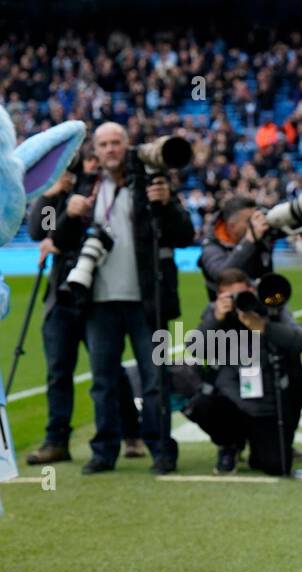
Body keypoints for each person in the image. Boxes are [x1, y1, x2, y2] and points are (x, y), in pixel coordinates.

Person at [73, 123, 194, 475]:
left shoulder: (152, 185)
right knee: (103, 381)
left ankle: (161, 451)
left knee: (156, 379)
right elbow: (58, 236)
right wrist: (67, 214)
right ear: (94, 151)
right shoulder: (87, 188)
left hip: (147, 301)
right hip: (99, 301)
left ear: (128, 146)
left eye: (116, 143)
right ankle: (104, 450)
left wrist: (167, 204)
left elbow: (185, 233)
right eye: (103, 144)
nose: (110, 149)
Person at [25, 160, 146, 465]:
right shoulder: (61, 189)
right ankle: (56, 440)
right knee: (58, 372)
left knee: (109, 370)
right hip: (61, 293)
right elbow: (40, 230)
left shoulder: (104, 187)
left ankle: (131, 433)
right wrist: (52, 195)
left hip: (97, 294)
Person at [184, 268, 302, 476]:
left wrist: (264, 327)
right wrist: (216, 319)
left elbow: (301, 340)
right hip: (230, 399)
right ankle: (229, 445)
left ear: (252, 289)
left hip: (266, 404)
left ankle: (263, 447)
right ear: (220, 297)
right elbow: (195, 348)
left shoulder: (270, 307)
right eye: (232, 297)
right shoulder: (215, 312)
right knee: (202, 405)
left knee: (276, 466)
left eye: (244, 294)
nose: (240, 300)